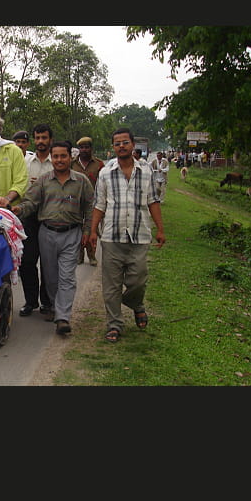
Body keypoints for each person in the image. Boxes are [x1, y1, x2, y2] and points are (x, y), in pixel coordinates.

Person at [89, 128, 165, 343]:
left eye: (125, 142)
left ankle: (136, 304)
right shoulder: (106, 172)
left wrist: (160, 229)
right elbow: (99, 204)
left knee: (138, 279)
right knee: (111, 285)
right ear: (113, 147)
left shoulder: (146, 171)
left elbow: (152, 201)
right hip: (112, 236)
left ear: (133, 145)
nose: (121, 146)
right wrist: (93, 231)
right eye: (117, 143)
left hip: (139, 235)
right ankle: (114, 324)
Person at [12, 141, 95, 335]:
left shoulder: (81, 181)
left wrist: (88, 231)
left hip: (71, 234)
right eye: (55, 156)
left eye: (63, 156)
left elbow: (90, 207)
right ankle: (56, 307)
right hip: (47, 234)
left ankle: (63, 317)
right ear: (52, 158)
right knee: (50, 277)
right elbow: (30, 202)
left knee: (67, 276)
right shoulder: (43, 180)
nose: (59, 160)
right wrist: (18, 209)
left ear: (70, 157)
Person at [18, 124, 54, 318]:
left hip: (50, 216)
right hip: (29, 217)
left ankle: (47, 303)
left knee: (48, 263)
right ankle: (30, 301)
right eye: (38, 138)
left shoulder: (56, 161)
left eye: (44, 138)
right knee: (27, 261)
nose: (41, 141)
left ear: (50, 140)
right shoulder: (26, 162)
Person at [71, 136, 104, 266]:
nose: (84, 150)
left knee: (90, 229)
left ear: (91, 148)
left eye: (87, 147)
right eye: (82, 147)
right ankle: (79, 256)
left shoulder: (99, 164)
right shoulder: (72, 164)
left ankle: (91, 255)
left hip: (93, 203)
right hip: (75, 202)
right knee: (77, 230)